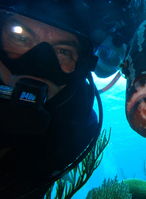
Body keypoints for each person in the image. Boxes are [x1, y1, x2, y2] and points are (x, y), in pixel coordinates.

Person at [0, 0, 102, 198]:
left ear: (81, 66)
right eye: (21, 38)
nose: (39, 65)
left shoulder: (77, 126)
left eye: (63, 51)